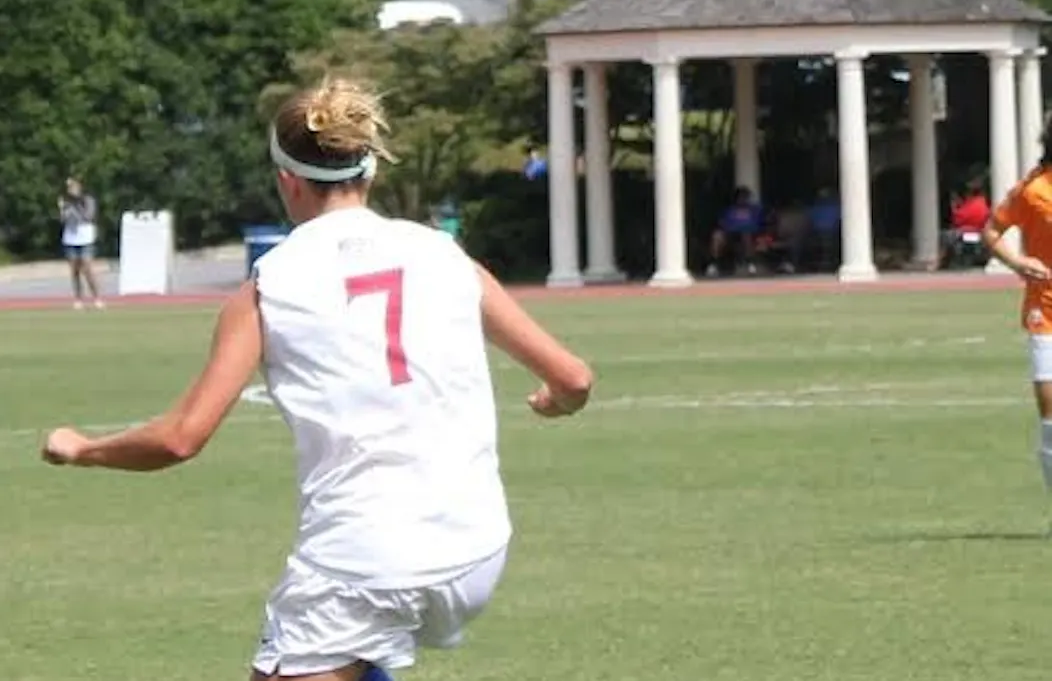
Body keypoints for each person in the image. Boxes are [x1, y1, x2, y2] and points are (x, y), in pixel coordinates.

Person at [40, 77, 594, 680]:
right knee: (361, 647)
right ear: (370, 170)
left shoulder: (268, 287)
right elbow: (573, 378)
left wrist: (83, 449)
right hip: (476, 546)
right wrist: (555, 401)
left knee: (344, 634)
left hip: (362, 561)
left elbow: (180, 437)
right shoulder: (444, 253)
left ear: (287, 180)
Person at [982, 114, 1052, 512]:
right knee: (1050, 421)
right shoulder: (1033, 190)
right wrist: (1019, 261)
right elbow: (993, 230)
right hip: (1046, 313)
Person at [59, 177, 103, 310]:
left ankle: (97, 297)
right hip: (71, 239)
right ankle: (78, 299)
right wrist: (63, 210)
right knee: (74, 270)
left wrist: (74, 209)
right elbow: (63, 219)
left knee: (88, 268)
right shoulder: (65, 201)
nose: (71, 190)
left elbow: (88, 216)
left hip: (85, 238)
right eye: (69, 188)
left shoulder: (87, 200)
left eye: (74, 187)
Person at [705, 185, 764, 276]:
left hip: (749, 234)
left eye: (745, 197)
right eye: (741, 197)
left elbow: (758, 224)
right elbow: (722, 224)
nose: (743, 199)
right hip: (730, 235)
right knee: (717, 236)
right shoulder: (729, 211)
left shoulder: (754, 210)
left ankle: (750, 264)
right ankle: (713, 264)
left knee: (746, 235)